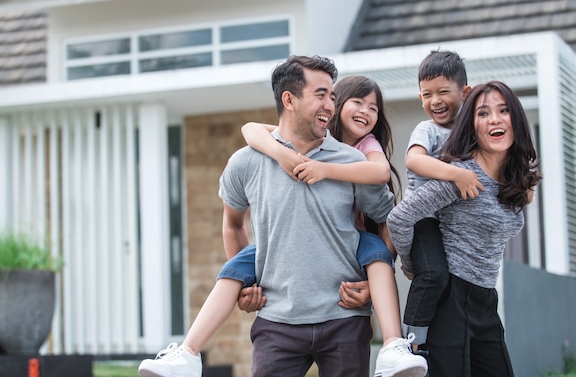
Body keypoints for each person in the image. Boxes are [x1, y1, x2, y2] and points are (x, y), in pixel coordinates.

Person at [139, 55, 396, 377]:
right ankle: (185, 353)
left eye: (332, 96)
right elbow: (233, 224)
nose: (331, 105)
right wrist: (248, 285)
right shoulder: (246, 162)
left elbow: (389, 220)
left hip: (344, 319)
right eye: (321, 95)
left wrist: (373, 283)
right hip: (277, 325)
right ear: (289, 99)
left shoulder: (351, 161)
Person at [241, 75, 428, 377]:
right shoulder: (316, 136)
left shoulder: (367, 145)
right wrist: (281, 153)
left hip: (357, 238)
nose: (366, 112)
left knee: (378, 258)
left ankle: (393, 344)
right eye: (358, 102)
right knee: (234, 269)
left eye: (374, 108)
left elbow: (380, 173)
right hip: (298, 262)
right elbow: (250, 129)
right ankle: (188, 350)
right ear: (334, 105)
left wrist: (324, 169)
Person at [387, 80, 541, 376]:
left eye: (503, 110)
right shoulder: (462, 176)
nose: (494, 119)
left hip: (485, 301)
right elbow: (400, 218)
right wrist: (413, 263)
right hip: (449, 302)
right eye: (483, 113)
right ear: (472, 125)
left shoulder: (513, 182)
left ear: (516, 120)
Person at [401, 50, 483, 352]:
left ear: (465, 92)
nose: (434, 100)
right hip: (424, 219)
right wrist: (455, 175)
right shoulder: (428, 130)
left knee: (454, 283)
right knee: (434, 274)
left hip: (454, 224)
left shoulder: (472, 131)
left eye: (443, 92)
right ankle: (410, 342)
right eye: (426, 94)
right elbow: (414, 161)